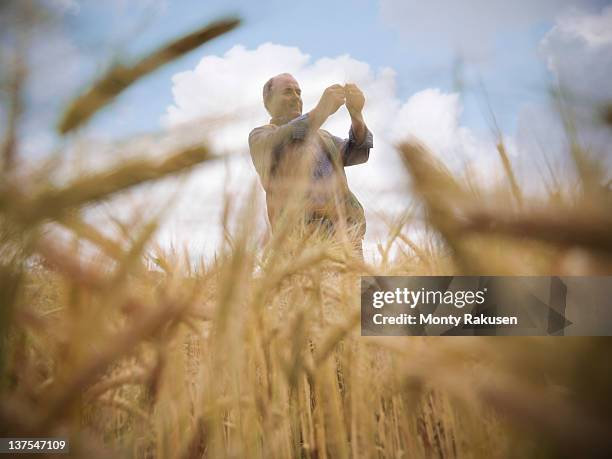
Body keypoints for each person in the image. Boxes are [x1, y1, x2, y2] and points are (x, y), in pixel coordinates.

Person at [248, 73, 373, 256]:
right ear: (269, 101)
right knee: (309, 285)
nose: (296, 97)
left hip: (344, 232)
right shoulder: (260, 136)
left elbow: (358, 152)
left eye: (298, 92)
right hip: (300, 236)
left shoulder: (323, 137)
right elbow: (288, 137)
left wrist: (356, 114)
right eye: (288, 92)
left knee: (352, 284)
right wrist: (322, 110)